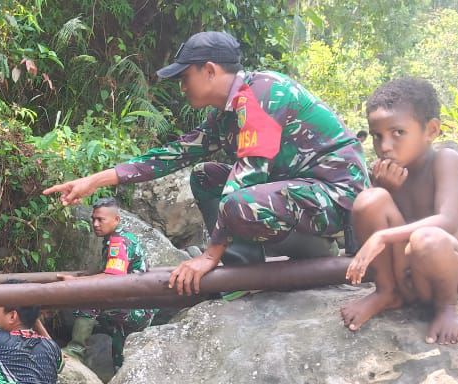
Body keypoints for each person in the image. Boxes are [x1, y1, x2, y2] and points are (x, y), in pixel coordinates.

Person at [42, 31, 368, 297]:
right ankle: (243, 270)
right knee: (205, 176)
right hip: (296, 195)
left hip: (336, 197)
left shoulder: (263, 94)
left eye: (185, 77)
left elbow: (247, 178)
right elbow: (175, 154)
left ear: (209, 71)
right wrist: (94, 181)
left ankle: (297, 254)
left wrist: (207, 256)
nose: (182, 87)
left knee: (238, 200)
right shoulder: (226, 114)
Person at [341, 77, 458, 344]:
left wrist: (381, 237)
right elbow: (372, 218)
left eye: (398, 133)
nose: (385, 146)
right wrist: (386, 189)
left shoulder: (445, 161)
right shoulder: (386, 171)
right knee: (370, 199)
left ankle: (448, 307)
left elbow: (447, 221)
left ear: (431, 130)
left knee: (428, 238)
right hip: (407, 277)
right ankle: (387, 292)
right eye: (377, 136)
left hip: (447, 272)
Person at [59, 198, 156, 367]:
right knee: (121, 358)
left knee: (89, 300)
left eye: (100, 219)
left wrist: (77, 281)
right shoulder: (120, 237)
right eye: (93, 219)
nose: (95, 224)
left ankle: (75, 350)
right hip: (139, 305)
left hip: (135, 308)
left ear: (116, 219)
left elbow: (112, 277)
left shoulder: (118, 241)